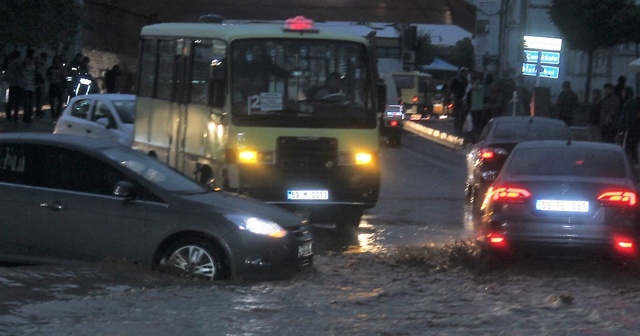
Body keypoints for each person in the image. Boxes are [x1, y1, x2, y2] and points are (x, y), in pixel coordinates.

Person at [618, 90, 640, 164]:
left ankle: (632, 160)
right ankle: (633, 160)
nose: (622, 93)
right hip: (631, 127)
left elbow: (629, 116)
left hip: (630, 128)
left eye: (624, 92)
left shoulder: (630, 103)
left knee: (629, 144)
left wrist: (626, 125)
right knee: (631, 144)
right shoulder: (629, 102)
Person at [449, 68, 469, 135]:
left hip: (463, 98)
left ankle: (461, 128)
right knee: (457, 114)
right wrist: (453, 95)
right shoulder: (455, 80)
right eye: (462, 73)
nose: (463, 74)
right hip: (457, 98)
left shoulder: (465, 81)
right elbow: (451, 88)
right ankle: (457, 128)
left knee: (463, 114)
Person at [46, 55, 67, 119]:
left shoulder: (61, 69)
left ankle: (57, 114)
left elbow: (65, 76)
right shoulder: (50, 68)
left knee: (60, 102)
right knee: (52, 102)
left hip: (59, 86)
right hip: (53, 85)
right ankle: (53, 114)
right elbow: (47, 76)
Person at [5, 50, 23, 123]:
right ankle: (15, 116)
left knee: (10, 101)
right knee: (17, 102)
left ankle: (8, 115)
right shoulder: (19, 64)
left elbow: (7, 74)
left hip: (11, 83)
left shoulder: (10, 64)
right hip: (18, 84)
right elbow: (22, 73)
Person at [21, 49, 37, 124]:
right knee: (28, 102)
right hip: (27, 84)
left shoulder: (30, 63)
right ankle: (27, 116)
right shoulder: (28, 63)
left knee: (28, 102)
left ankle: (27, 116)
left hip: (29, 84)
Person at [34, 51, 48, 118]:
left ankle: (39, 109)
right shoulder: (41, 64)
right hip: (40, 82)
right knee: (39, 97)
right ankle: (38, 110)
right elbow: (40, 74)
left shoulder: (41, 64)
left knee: (40, 97)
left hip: (42, 81)